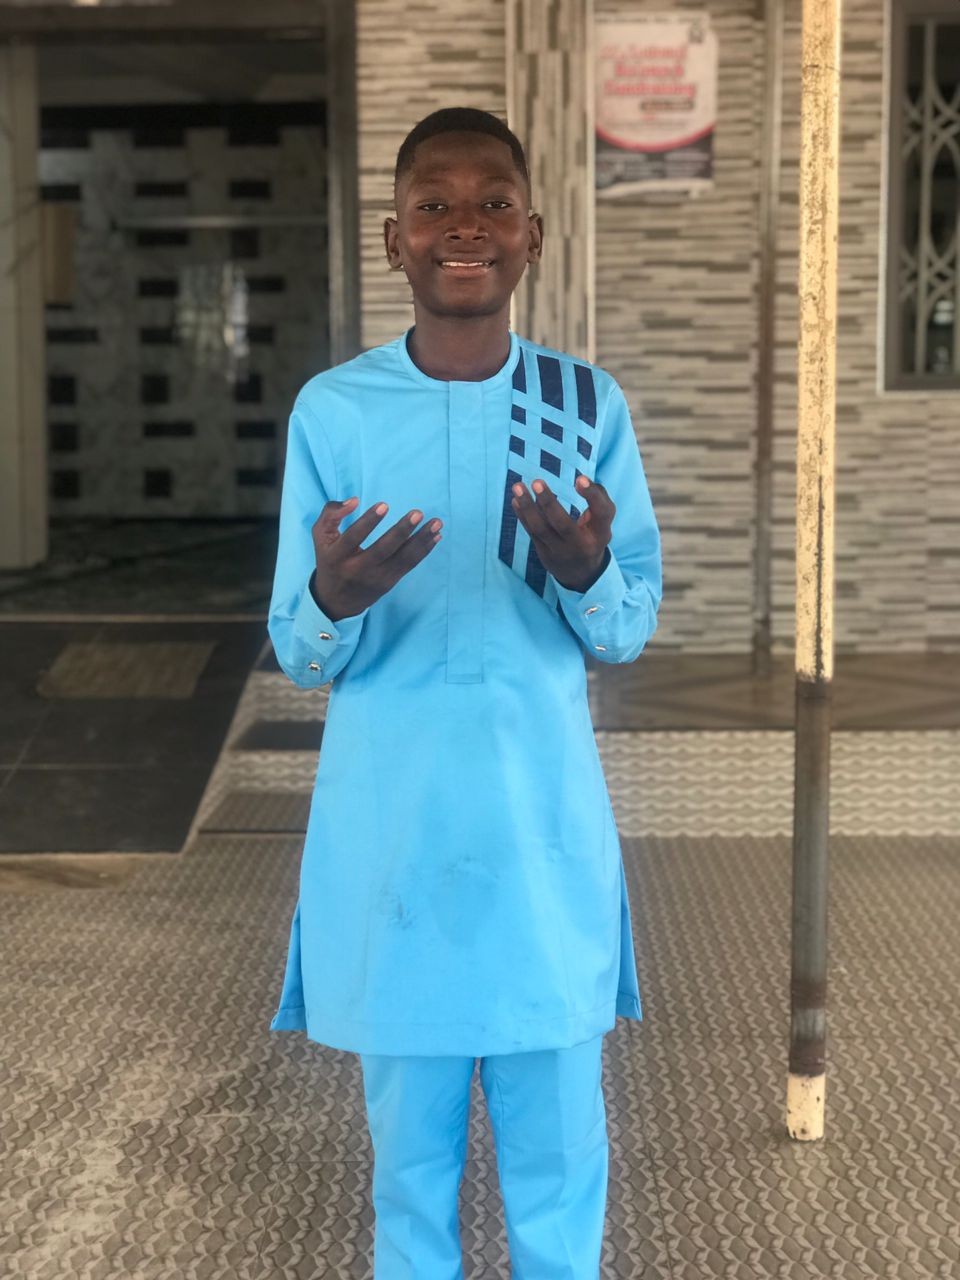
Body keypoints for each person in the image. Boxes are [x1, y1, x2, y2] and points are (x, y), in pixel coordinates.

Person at [267, 105, 663, 1280]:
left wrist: (587, 574)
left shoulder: (582, 406)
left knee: (559, 1173)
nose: (465, 226)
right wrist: (334, 595)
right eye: (433, 205)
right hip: (395, 847)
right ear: (394, 239)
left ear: (534, 234)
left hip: (542, 846)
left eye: (494, 202)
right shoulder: (336, 411)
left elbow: (628, 628)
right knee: (409, 1179)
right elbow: (300, 652)